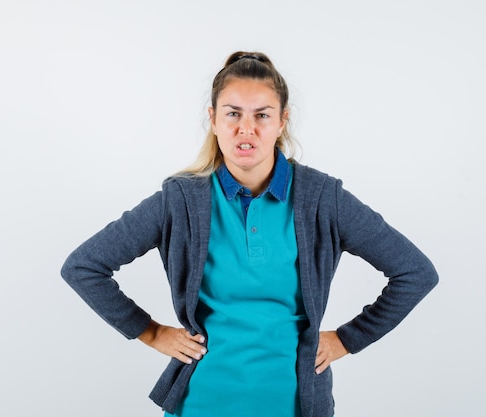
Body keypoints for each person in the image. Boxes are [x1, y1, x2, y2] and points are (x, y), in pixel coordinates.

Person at [60, 51, 438, 417]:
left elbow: (415, 272)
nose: (247, 128)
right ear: (213, 118)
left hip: (293, 404)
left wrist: (347, 339)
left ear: (282, 121)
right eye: (233, 114)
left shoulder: (322, 198)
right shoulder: (180, 199)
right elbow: (83, 267)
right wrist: (153, 333)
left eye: (262, 115)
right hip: (202, 403)